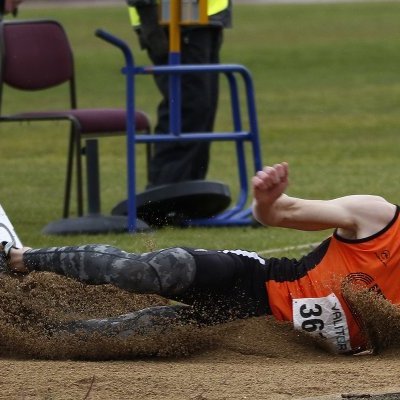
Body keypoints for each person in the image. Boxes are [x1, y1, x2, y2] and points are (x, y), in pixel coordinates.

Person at [2, 162, 399, 354]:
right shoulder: (376, 216)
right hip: (253, 281)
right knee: (143, 271)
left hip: (253, 333)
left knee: (104, 338)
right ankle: (16, 257)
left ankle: (14, 329)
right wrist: (267, 200)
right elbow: (281, 214)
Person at [126, 0, 232, 186]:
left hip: (202, 19)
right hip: (173, 20)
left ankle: (189, 195)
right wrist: (148, 17)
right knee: (186, 110)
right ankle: (162, 197)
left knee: (202, 111)